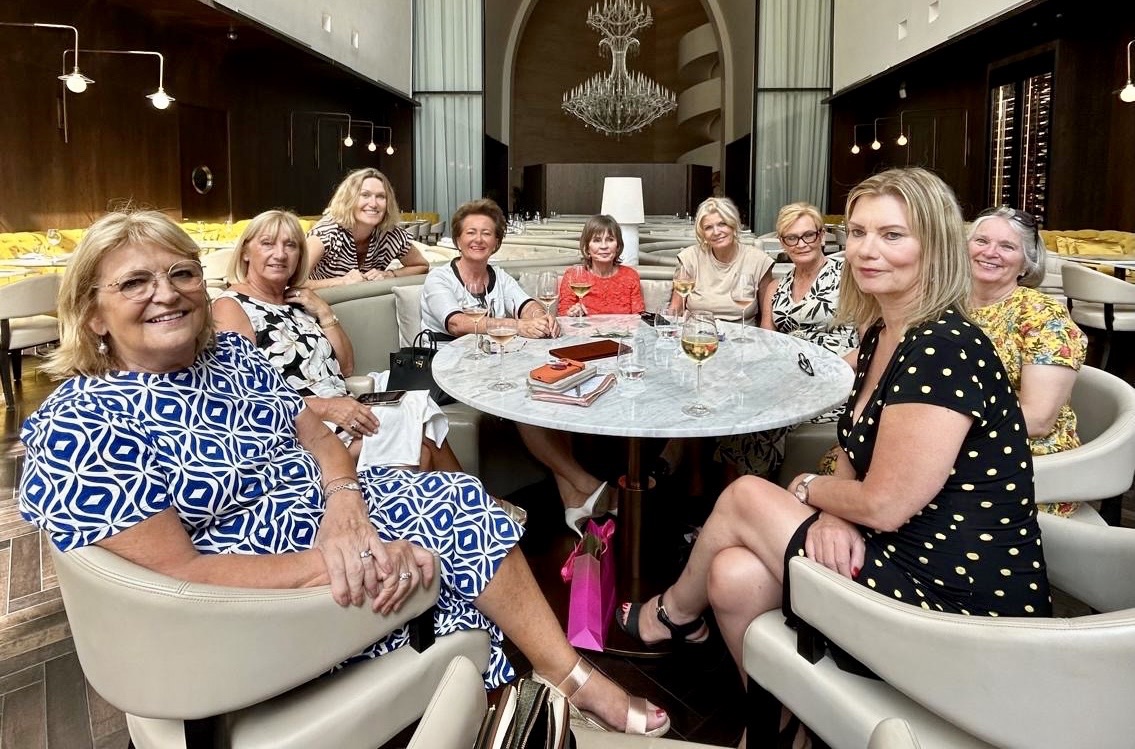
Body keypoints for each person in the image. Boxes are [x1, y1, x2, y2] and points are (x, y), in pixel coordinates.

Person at [18, 209, 670, 738]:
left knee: (455, 494)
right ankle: (519, 686)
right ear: (93, 314)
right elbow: (184, 575)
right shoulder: (81, 424)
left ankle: (562, 675)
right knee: (444, 550)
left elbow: (312, 432)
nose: (166, 292)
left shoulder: (231, 360)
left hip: (319, 519)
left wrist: (345, 504)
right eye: (134, 283)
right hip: (242, 602)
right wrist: (344, 559)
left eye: (181, 272)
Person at [616, 168, 1051, 747]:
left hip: (952, 598)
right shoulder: (884, 333)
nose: (867, 251)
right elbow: (855, 445)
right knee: (732, 574)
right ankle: (781, 727)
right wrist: (835, 511)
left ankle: (669, 614)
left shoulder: (943, 347)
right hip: (893, 543)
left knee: (745, 494)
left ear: (937, 245)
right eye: (860, 233)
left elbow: (887, 503)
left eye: (892, 235)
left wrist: (809, 489)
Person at [212, 209, 460, 472]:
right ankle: (471, 494)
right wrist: (328, 408)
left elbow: (346, 367)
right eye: (267, 243)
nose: (280, 254)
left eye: (290, 245)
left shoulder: (299, 301)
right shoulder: (232, 307)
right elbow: (246, 396)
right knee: (419, 440)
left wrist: (324, 312)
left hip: (344, 409)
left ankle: (462, 495)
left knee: (416, 408)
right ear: (245, 252)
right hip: (299, 429)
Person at [421, 199, 609, 535]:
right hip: (447, 371)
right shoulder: (440, 278)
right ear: (458, 238)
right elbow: (457, 323)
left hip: (490, 365)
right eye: (471, 232)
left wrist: (540, 317)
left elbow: (526, 304)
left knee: (548, 389)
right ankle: (586, 483)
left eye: (487, 233)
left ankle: (572, 501)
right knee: (526, 398)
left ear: (496, 241)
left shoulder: (499, 276)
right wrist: (518, 326)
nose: (478, 239)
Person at [715, 202, 859, 480]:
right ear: (782, 242)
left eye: (808, 235)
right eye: (792, 238)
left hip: (835, 381)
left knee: (761, 422)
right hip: (790, 380)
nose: (801, 244)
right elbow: (767, 343)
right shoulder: (776, 287)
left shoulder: (849, 278)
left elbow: (870, 346)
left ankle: (755, 493)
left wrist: (829, 370)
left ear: (822, 236)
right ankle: (738, 495)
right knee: (737, 409)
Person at [967, 206, 1087, 517]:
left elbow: (1037, 419)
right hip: (952, 445)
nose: (990, 252)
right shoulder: (948, 304)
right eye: (981, 241)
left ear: (1026, 263)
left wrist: (939, 428)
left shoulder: (1043, 315)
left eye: (1007, 246)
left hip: (1022, 461)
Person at [305, 168, 429, 288]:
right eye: (365, 195)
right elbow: (296, 282)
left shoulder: (390, 234)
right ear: (348, 199)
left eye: (381, 196)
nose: (373, 204)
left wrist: (390, 274)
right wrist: (342, 282)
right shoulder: (326, 234)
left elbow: (421, 266)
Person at [671, 197, 774, 323]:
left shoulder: (758, 260)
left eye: (722, 224)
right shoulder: (690, 257)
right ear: (702, 233)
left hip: (742, 333)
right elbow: (675, 310)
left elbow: (767, 319)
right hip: (699, 331)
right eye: (708, 227)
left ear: (733, 225)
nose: (716, 232)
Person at [557, 215, 644, 316]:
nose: (604, 246)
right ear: (587, 248)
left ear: (618, 246)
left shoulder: (630, 276)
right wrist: (572, 313)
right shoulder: (573, 275)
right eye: (597, 240)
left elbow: (639, 318)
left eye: (610, 239)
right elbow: (563, 315)